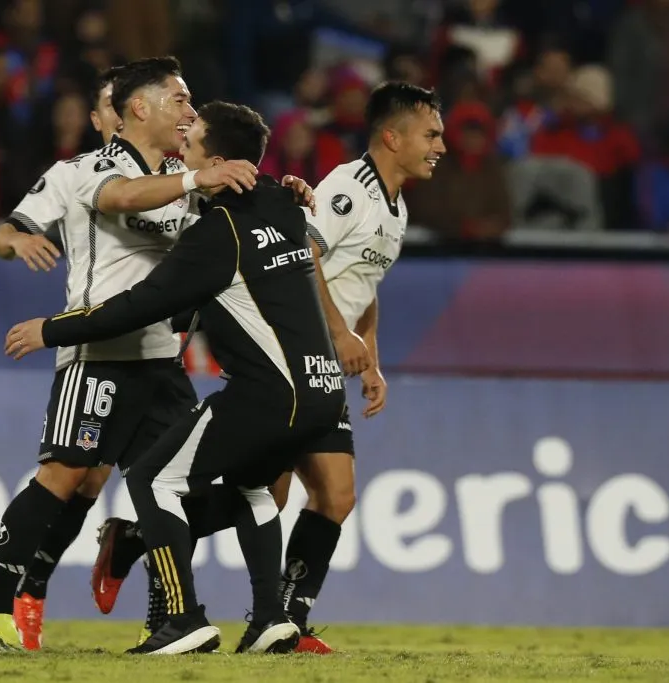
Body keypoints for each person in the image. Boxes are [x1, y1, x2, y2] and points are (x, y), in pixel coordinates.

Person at [3, 100, 346, 656]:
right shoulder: (283, 203)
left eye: (193, 142)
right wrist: (292, 187)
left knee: (150, 482)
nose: (182, 145)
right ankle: (270, 622)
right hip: (323, 393)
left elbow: (141, 304)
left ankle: (183, 619)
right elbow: (286, 220)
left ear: (216, 159)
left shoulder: (219, 232)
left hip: (267, 393)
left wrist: (53, 329)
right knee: (253, 487)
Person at [0, 56, 263, 652]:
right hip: (96, 351)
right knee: (65, 475)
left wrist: (282, 194)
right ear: (139, 108)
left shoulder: (186, 179)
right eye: (179, 100)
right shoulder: (87, 170)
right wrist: (18, 239)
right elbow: (116, 199)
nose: (191, 112)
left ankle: (169, 619)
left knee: (178, 486)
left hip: (161, 357)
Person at [271, 80, 445, 653]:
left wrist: (369, 355)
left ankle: (287, 623)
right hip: (285, 354)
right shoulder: (349, 186)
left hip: (325, 363)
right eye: (431, 134)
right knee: (263, 497)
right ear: (391, 137)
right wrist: (340, 331)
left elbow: (365, 286)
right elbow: (303, 254)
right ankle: (139, 537)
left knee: (336, 496)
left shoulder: (397, 208)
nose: (440, 145)